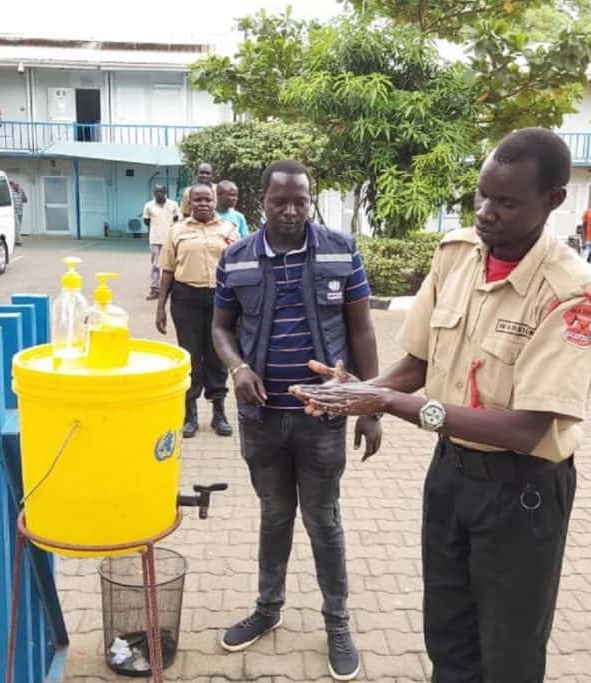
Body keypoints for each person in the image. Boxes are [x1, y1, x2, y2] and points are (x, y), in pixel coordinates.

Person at [289, 129, 591, 682]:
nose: (486, 213)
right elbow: (417, 362)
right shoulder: (457, 254)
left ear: (553, 200)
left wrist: (388, 401)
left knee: (508, 651)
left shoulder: (571, 293)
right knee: (448, 635)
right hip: (451, 479)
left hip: (522, 492)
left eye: (506, 203)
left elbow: (527, 429)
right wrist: (359, 392)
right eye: (481, 195)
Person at [212, 160, 380, 681]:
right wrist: (237, 368)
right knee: (274, 516)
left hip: (321, 421)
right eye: (279, 200)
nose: (290, 210)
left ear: (311, 200)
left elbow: (363, 328)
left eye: (299, 201)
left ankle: (337, 622)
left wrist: (370, 404)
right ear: (260, 201)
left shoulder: (339, 249)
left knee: (323, 521)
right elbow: (221, 327)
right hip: (262, 421)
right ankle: (268, 609)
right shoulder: (235, 258)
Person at [157, 182, 239, 438]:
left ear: (215, 202)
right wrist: (160, 308)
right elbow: (168, 270)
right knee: (191, 356)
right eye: (197, 200)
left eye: (207, 200)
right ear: (189, 203)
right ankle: (189, 413)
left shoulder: (230, 229)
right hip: (186, 298)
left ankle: (219, 413)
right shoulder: (177, 230)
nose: (203, 204)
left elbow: (239, 268)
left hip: (221, 300)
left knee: (217, 356)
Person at [142, 184, 180, 300]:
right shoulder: (149, 206)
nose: (159, 194)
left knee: (172, 265)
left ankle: (172, 288)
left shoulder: (173, 205)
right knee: (156, 265)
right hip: (155, 240)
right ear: (154, 193)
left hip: (170, 239)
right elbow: (146, 221)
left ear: (165, 192)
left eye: (161, 192)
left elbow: (177, 219)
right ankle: (155, 289)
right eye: (156, 192)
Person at [9, 180, 27, 246]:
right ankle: (19, 241)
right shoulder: (11, 191)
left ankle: (15, 240)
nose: (17, 186)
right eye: (15, 185)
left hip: (20, 212)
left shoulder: (21, 191)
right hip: (14, 212)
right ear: (13, 186)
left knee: (18, 227)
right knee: (17, 226)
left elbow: (25, 200)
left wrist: (23, 193)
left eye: (18, 185)